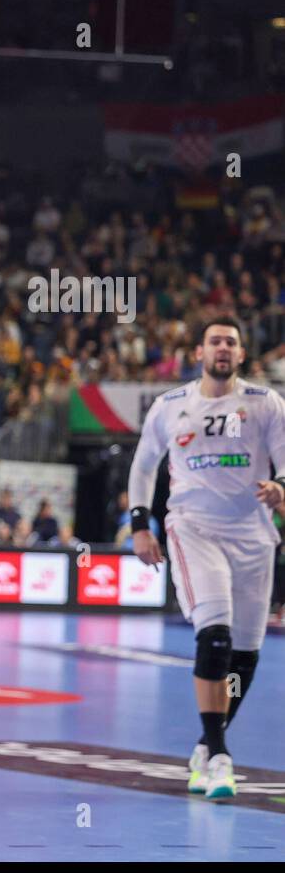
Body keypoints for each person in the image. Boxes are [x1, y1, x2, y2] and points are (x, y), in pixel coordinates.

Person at [128, 316, 285, 800]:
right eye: (214, 340)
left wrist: (281, 487)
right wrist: (139, 524)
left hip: (253, 535)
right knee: (213, 636)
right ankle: (219, 756)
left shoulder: (265, 404)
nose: (222, 348)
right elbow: (143, 465)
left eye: (231, 342)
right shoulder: (171, 405)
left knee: (244, 656)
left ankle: (205, 744)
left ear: (241, 354)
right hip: (193, 529)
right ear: (199, 351)